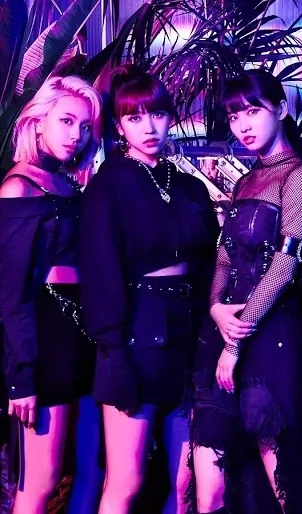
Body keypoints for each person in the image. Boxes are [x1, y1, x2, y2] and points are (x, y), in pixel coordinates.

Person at [80, 66, 219, 514]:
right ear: (119, 126)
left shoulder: (189, 186)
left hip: (190, 333)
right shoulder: (109, 184)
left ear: (170, 117)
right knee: (127, 479)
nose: (149, 127)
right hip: (136, 334)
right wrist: (113, 351)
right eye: (135, 117)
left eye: (157, 114)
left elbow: (212, 261)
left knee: (183, 481)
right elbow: (99, 270)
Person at [190, 69, 302, 514]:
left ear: (280, 109)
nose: (242, 124)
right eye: (234, 116)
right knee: (210, 489)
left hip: (271, 335)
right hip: (224, 332)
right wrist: (214, 309)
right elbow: (224, 257)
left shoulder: (300, 175)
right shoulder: (246, 180)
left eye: (252, 111)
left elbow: (286, 264)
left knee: (284, 485)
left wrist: (235, 339)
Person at [0, 75, 101, 514]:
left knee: (82, 470)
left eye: (85, 126)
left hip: (81, 336)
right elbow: (12, 293)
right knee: (40, 480)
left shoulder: (67, 184)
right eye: (66, 121)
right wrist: (21, 376)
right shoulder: (19, 186)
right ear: (39, 121)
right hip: (42, 340)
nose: (76, 134)